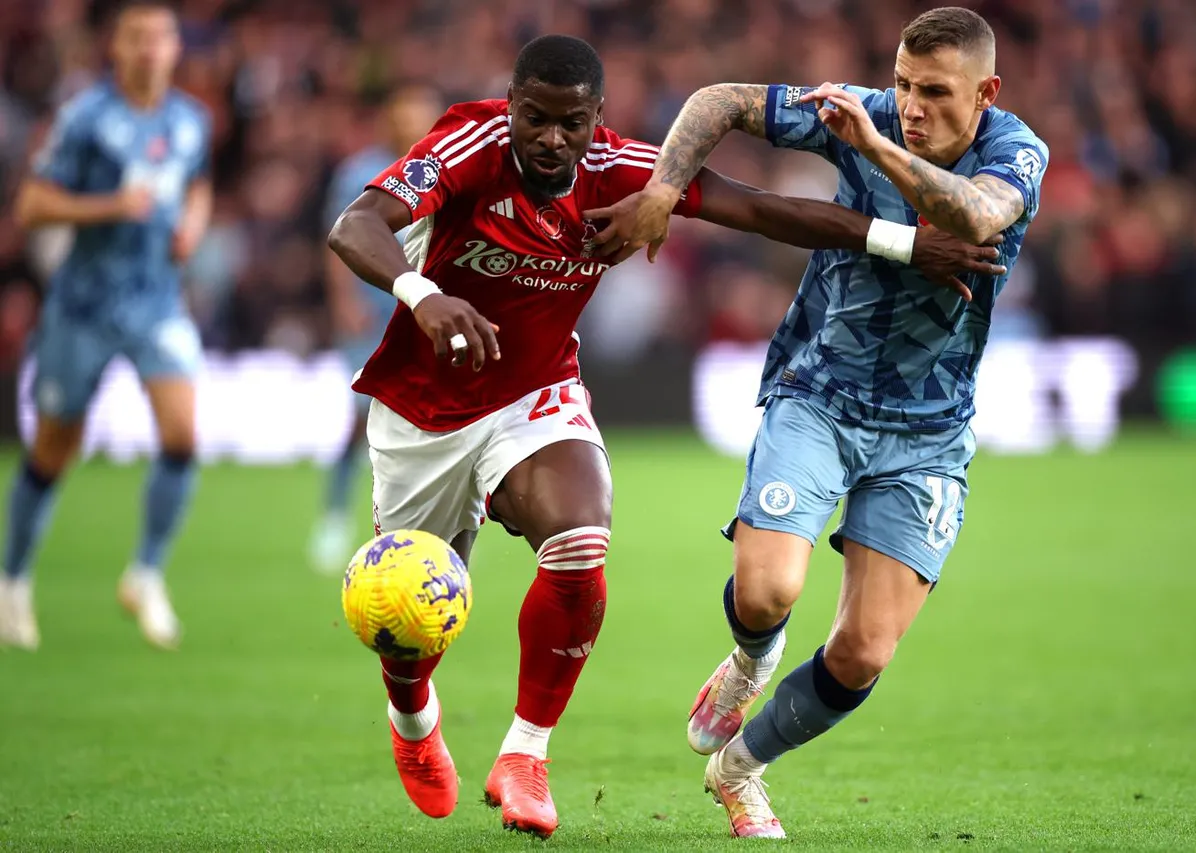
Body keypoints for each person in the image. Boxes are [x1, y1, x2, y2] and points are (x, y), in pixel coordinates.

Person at [327, 33, 1005, 838]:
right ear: (510, 109)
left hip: (534, 393)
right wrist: (421, 294)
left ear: (595, 119)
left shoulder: (622, 169)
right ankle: (412, 720)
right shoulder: (468, 145)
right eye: (534, 119)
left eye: (570, 123)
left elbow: (757, 209)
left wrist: (904, 243)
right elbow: (354, 224)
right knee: (407, 626)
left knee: (582, 536)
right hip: (421, 411)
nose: (551, 139)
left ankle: (526, 754)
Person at [591, 7, 1048, 838]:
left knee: (864, 652)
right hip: (820, 393)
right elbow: (719, 99)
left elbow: (977, 218)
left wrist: (874, 148)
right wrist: (663, 186)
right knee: (767, 592)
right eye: (903, 84)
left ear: (986, 91)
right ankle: (750, 659)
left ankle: (742, 767)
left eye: (934, 92)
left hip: (929, 430)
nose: (909, 105)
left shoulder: (1014, 152)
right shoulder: (863, 108)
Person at [0, 0, 212, 652]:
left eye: (161, 37)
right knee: (55, 448)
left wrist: (192, 226)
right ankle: (12, 582)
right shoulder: (86, 117)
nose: (150, 48)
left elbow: (197, 183)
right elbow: (32, 205)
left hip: (155, 301)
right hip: (83, 306)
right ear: (115, 47)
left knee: (182, 434)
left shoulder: (189, 119)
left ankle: (146, 572)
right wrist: (109, 205)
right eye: (137, 37)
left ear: (176, 47)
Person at [309, 84, 443, 573]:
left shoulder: (445, 169)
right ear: (389, 121)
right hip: (371, 314)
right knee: (360, 420)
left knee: (430, 422)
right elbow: (338, 239)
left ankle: (429, 524)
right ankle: (334, 517)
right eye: (404, 117)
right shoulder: (357, 172)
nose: (412, 127)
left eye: (420, 118)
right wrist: (343, 301)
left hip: (424, 314)